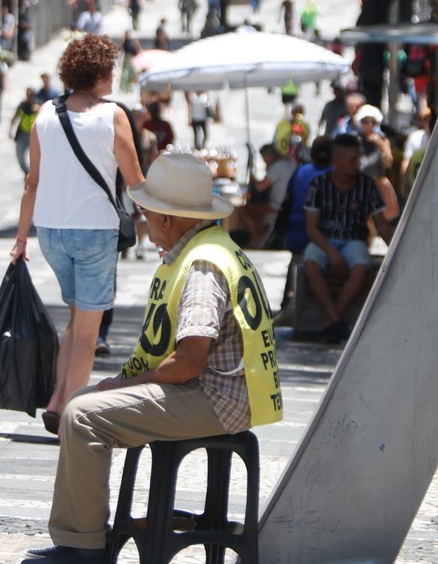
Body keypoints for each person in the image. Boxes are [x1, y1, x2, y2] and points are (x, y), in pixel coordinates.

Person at [26, 152, 282, 564]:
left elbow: (189, 360)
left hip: (216, 397)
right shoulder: (212, 248)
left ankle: (82, 547)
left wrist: (124, 386)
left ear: (167, 218)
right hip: (224, 392)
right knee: (81, 402)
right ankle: (81, 537)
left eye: (146, 214)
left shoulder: (202, 265)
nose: (144, 223)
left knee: (84, 415)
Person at [10, 33, 146, 436]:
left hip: (51, 232)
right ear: (102, 74)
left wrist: (20, 239)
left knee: (75, 318)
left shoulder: (45, 115)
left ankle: (56, 400)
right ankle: (73, 412)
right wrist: (162, 228)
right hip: (94, 232)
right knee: (88, 328)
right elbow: (135, 181)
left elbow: (31, 183)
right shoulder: (114, 115)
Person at [302, 133, 400, 343]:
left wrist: (398, 252)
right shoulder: (318, 185)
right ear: (337, 161)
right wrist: (331, 252)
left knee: (361, 267)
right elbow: (312, 228)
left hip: (354, 240)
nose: (358, 164)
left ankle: (332, 319)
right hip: (324, 239)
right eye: (353, 160)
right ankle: (336, 321)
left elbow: (382, 225)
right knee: (310, 264)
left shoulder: (367, 185)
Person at [237, 143, 295, 247]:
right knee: (257, 208)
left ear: (269, 156)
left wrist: (253, 178)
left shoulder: (278, 167)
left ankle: (257, 240)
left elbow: (260, 187)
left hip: (277, 205)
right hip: (287, 204)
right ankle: (260, 237)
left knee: (242, 209)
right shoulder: (289, 162)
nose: (264, 161)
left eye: (264, 158)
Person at [10, 88, 39, 175]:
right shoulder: (22, 105)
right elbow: (15, 117)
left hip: (35, 134)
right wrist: (10, 129)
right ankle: (27, 172)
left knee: (36, 157)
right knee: (20, 156)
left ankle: (35, 174)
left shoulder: (38, 105)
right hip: (22, 134)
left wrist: (39, 109)